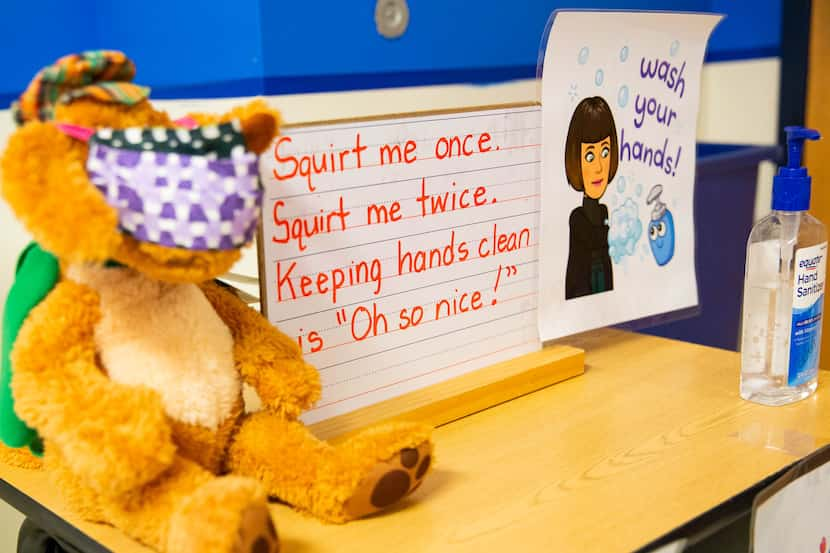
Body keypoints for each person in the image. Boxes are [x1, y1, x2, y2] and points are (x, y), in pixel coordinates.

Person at [564, 96, 619, 299]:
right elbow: (577, 272)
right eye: (589, 156)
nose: (598, 167)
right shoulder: (577, 218)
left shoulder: (604, 211)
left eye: (605, 151)